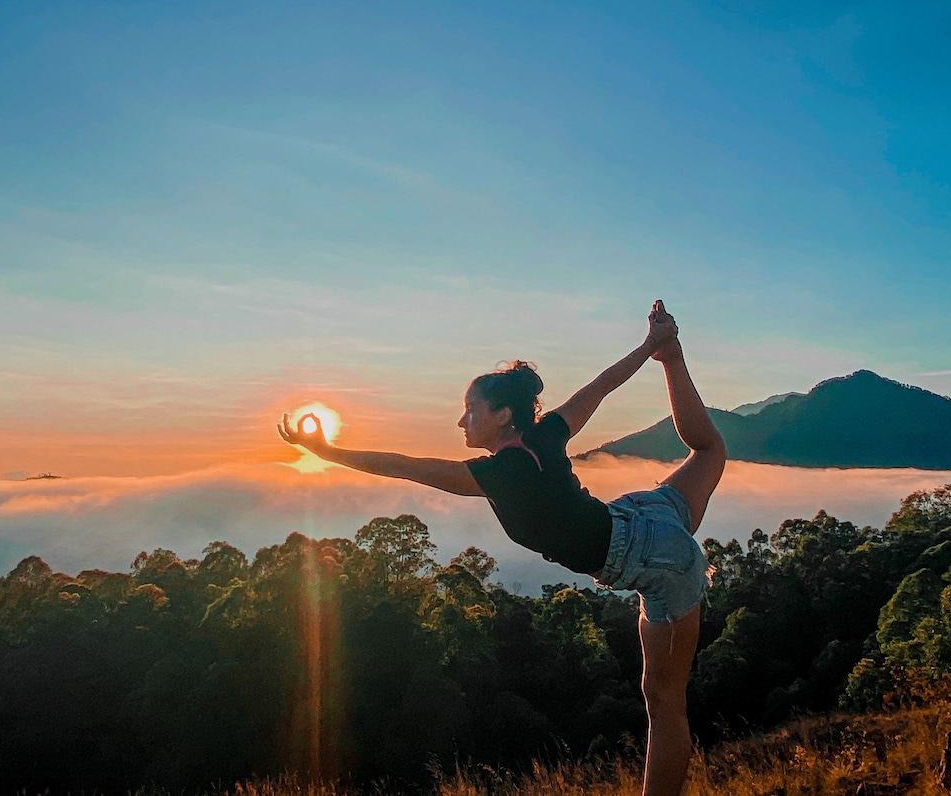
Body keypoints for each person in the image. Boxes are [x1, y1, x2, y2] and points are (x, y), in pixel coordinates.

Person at [278, 300, 726, 796]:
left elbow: (403, 464)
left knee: (664, 704)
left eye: (471, 410)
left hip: (655, 560)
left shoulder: (499, 474)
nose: (461, 421)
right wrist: (651, 347)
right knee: (710, 451)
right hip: (645, 516)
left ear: (503, 416)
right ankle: (673, 358)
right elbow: (599, 387)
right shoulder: (546, 434)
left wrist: (326, 452)